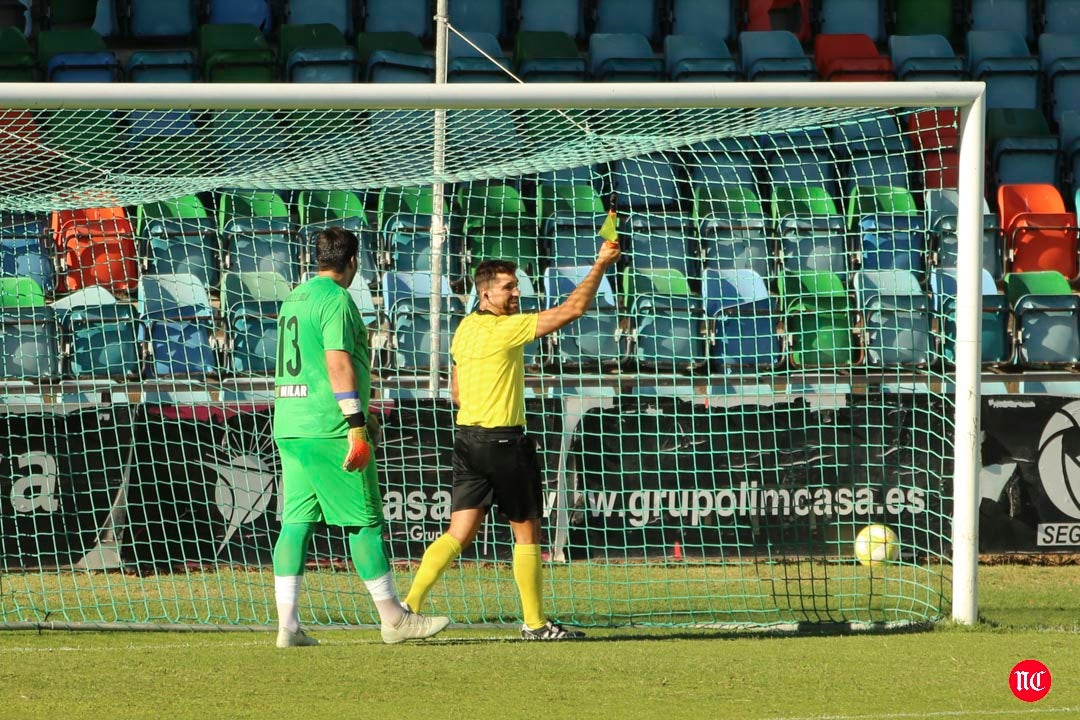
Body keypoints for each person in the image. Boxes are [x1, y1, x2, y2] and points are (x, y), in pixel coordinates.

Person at [403, 237, 621, 640]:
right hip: (503, 442)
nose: (517, 292)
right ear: (485, 293)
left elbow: (457, 393)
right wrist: (602, 263)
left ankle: (407, 609)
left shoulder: (466, 328)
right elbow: (574, 309)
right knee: (527, 533)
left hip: (467, 439)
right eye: (508, 287)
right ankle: (535, 624)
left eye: (516, 285)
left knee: (458, 534)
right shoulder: (506, 329)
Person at [271, 226, 450, 648]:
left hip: (291, 424)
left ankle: (288, 626)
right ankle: (394, 619)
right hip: (328, 427)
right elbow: (336, 364)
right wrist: (355, 423)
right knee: (365, 522)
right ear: (353, 261)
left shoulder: (294, 298)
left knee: (296, 523)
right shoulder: (337, 300)